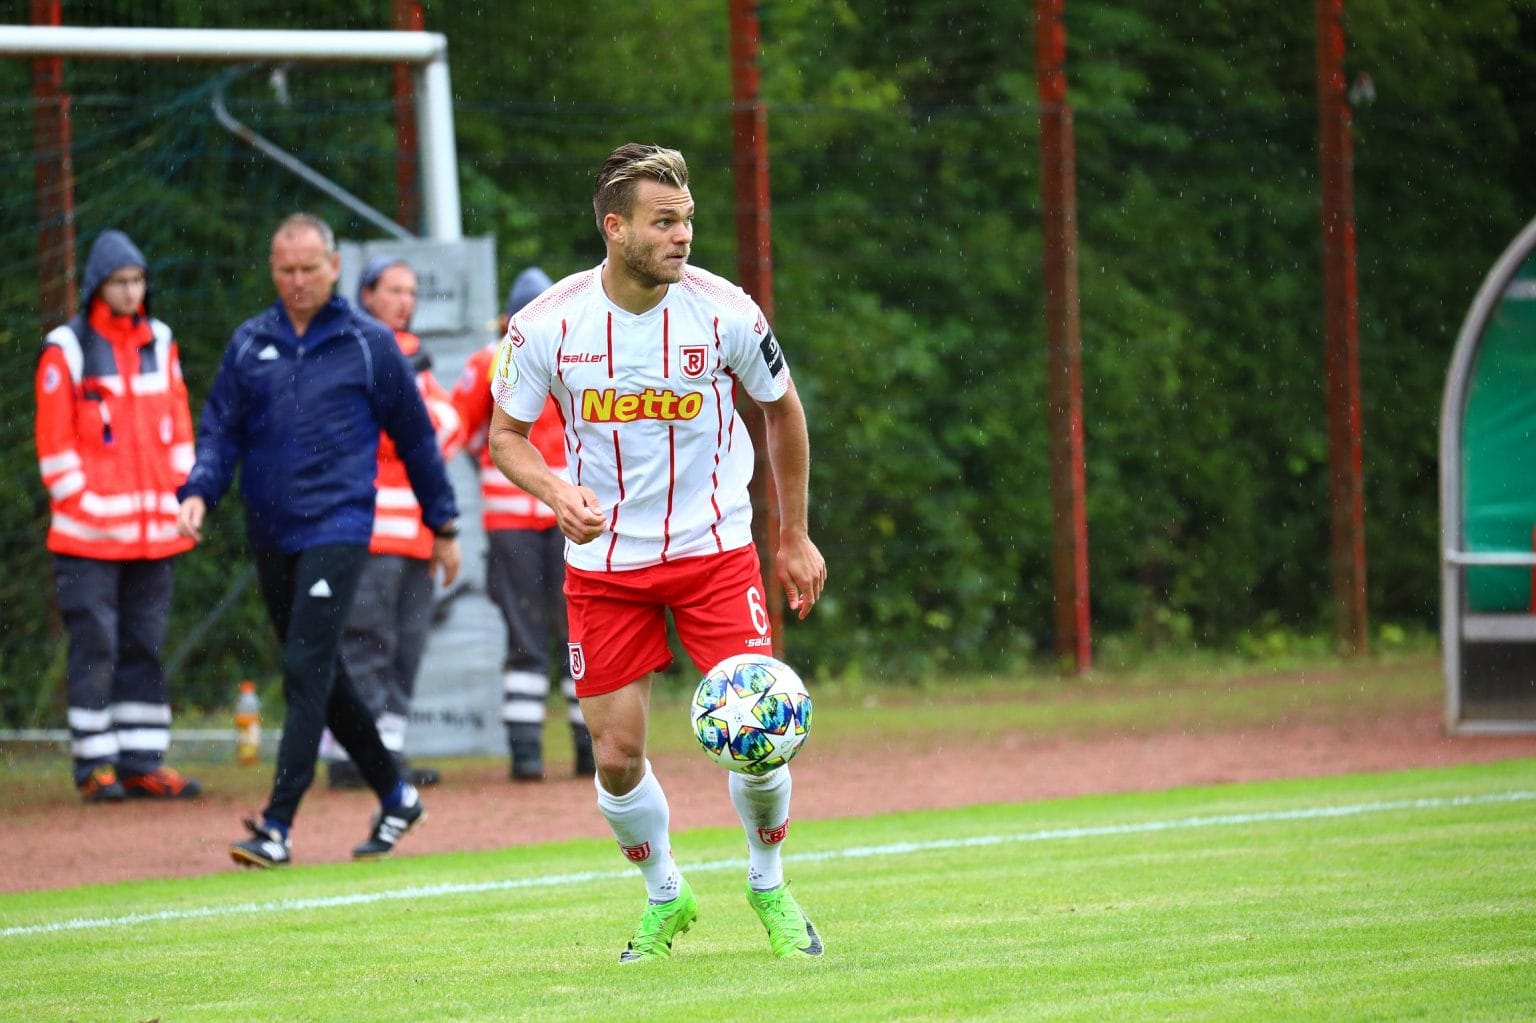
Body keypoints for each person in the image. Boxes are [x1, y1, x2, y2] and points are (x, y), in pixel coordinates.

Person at [487, 144, 828, 961]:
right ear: (616, 228)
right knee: (614, 755)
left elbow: (783, 412)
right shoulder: (547, 325)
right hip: (605, 568)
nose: (682, 236)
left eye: (688, 221)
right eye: (664, 222)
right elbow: (505, 438)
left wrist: (790, 533)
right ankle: (665, 894)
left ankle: (769, 882)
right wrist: (556, 491)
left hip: (714, 553)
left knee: (759, 732)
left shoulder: (726, 311)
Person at [176, 213, 460, 868]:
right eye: (285, 270)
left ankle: (276, 824)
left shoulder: (369, 343)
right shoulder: (251, 344)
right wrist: (198, 491)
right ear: (273, 270)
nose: (298, 281)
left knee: (304, 667)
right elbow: (220, 432)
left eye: (309, 268)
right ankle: (396, 793)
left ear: (334, 267)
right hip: (271, 530)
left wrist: (442, 523)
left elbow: (417, 440)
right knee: (321, 675)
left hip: (339, 526)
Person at [34, 228, 203, 802]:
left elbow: (178, 431)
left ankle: (141, 760)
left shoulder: (161, 339)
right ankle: (94, 765)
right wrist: (89, 508)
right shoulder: (67, 348)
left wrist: (188, 498)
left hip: (156, 535)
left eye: (138, 280)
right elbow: (55, 450)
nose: (132, 292)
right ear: (96, 287)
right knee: (96, 646)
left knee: (145, 645)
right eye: (120, 282)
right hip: (87, 539)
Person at [323, 255, 462, 791]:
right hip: (369, 529)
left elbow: (446, 426)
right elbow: (362, 432)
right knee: (364, 641)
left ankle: (388, 756)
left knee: (407, 644)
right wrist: (411, 436)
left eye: (411, 291)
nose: (406, 300)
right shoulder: (350, 345)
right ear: (367, 295)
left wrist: (409, 437)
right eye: (394, 290)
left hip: (418, 532)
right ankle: (348, 759)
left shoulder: (416, 354)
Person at [453, 266, 594, 783]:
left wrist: (489, 465)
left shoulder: (489, 362)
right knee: (578, 632)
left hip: (519, 514)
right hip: (571, 514)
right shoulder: (584, 350)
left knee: (526, 635)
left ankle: (527, 756)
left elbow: (460, 431)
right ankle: (587, 753)